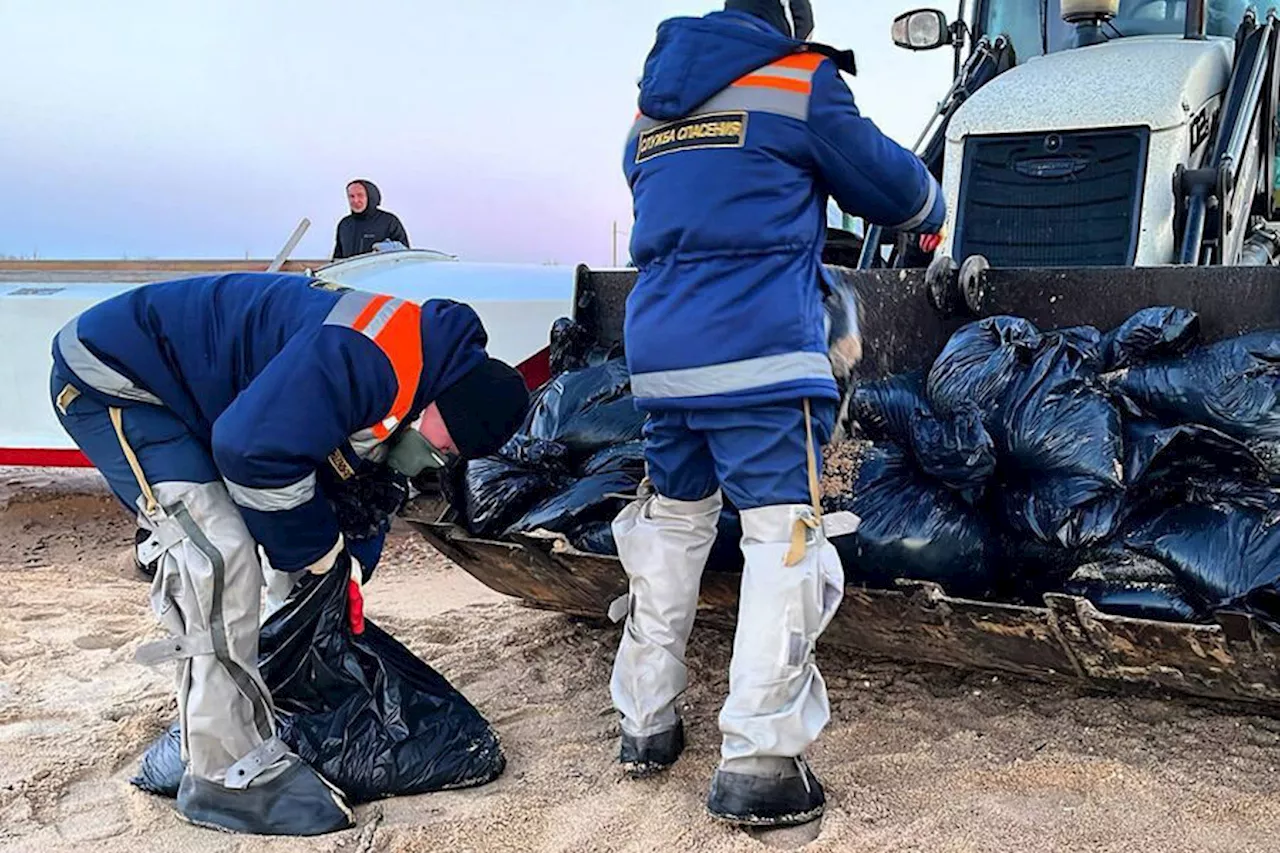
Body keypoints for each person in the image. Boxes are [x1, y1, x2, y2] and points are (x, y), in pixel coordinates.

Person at [610, 0, 945, 828]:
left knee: (673, 526)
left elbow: (681, 204)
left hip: (661, 360)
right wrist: (933, 212)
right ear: (790, 19)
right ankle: (758, 759)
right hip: (759, 359)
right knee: (782, 537)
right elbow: (893, 189)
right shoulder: (801, 79)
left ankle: (644, 722)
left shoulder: (652, 109)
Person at [48, 272, 530, 836]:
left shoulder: (416, 385)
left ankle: (249, 708)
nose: (436, 459)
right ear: (446, 405)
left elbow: (351, 494)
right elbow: (252, 453)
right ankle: (222, 775)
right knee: (216, 555)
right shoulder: (375, 360)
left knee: (284, 559)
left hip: (201, 399)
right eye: (445, 446)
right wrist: (320, 552)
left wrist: (340, 573)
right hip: (118, 379)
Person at [333, 179, 411, 259]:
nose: (355, 200)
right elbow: (337, 259)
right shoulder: (344, 225)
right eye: (351, 196)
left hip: (381, 270)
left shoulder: (389, 222)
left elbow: (404, 255)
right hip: (352, 271)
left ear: (370, 196)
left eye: (360, 195)